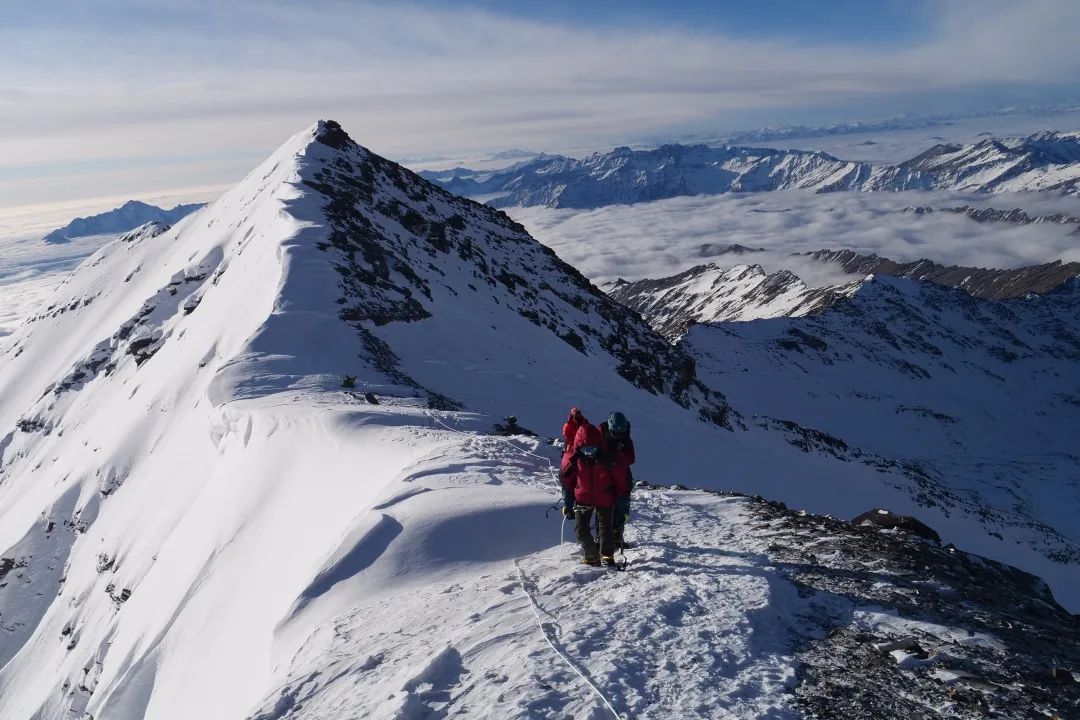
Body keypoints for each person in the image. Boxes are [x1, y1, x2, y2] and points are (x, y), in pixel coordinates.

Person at [561, 423, 618, 566]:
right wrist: (568, 503)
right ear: (579, 448)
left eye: (593, 449)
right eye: (585, 449)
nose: (589, 453)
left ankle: (607, 555)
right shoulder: (575, 461)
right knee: (580, 529)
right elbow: (567, 482)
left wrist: (620, 500)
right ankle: (592, 555)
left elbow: (619, 480)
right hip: (582, 498)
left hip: (604, 497)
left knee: (606, 529)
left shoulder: (607, 460)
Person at [600, 411, 635, 550]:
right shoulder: (600, 435)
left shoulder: (626, 439)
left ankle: (617, 537)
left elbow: (631, 458)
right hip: (604, 479)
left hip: (622, 480)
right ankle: (602, 540)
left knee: (621, 512)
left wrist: (617, 456)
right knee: (604, 512)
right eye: (615, 433)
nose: (617, 436)